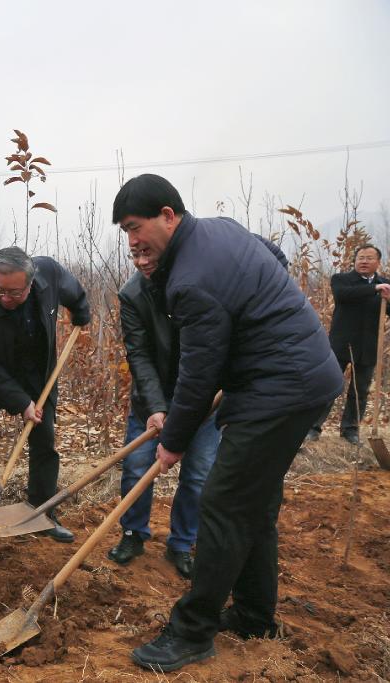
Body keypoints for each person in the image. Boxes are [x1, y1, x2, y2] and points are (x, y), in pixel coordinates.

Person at [114, 174, 342, 673]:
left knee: (222, 503)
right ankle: (255, 615)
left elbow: (200, 374)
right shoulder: (220, 229)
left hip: (281, 389)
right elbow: (272, 258)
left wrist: (173, 441)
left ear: (167, 215)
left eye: (135, 227)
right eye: (125, 232)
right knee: (253, 504)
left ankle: (192, 632)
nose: (131, 240)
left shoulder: (191, 279)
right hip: (299, 379)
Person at [0, 247, 90, 542]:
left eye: (15, 293)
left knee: (44, 443)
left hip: (35, 372)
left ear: (31, 282)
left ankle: (43, 515)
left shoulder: (48, 273)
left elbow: (73, 292)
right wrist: (21, 403)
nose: (5, 298)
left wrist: (81, 312)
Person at [107, 247, 221, 578]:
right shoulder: (132, 294)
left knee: (198, 475)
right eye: (135, 254)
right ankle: (133, 534)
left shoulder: (204, 286)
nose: (142, 262)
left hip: (202, 400)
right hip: (151, 397)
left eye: (149, 254)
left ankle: (182, 543)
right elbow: (139, 355)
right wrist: (156, 407)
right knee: (136, 468)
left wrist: (193, 406)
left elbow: (210, 351)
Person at [307, 243, 390, 444]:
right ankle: (313, 428)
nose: (364, 261)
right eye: (360, 257)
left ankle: (350, 429)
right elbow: (344, 296)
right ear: (355, 261)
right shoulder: (341, 280)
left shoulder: (385, 284)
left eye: (369, 258)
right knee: (329, 386)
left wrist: (388, 298)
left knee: (359, 391)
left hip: (368, 347)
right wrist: (374, 288)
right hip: (341, 344)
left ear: (378, 262)